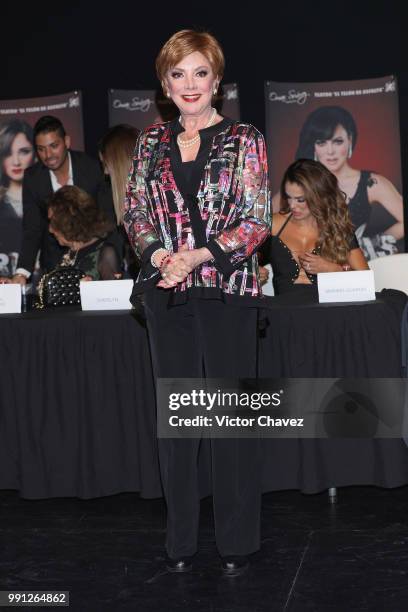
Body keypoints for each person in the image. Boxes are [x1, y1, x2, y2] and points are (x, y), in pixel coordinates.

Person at [124, 30, 270, 576]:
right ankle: (180, 540)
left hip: (227, 293)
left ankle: (236, 542)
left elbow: (256, 222)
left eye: (199, 72)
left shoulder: (244, 138)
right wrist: (162, 255)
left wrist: (199, 255)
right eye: (178, 74)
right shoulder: (148, 143)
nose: (189, 84)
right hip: (168, 295)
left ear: (217, 81)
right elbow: (134, 212)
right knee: (179, 424)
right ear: (165, 84)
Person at [286, 105, 403, 259]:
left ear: (350, 140)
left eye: (337, 141)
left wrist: (371, 244)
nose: (330, 151)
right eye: (321, 143)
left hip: (352, 269)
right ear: (314, 146)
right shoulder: (299, 182)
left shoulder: (370, 182)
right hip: (311, 270)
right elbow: (270, 222)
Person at [10, 115, 112, 285]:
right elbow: (32, 229)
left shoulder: (92, 168)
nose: (48, 155)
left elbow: (108, 218)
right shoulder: (33, 178)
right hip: (54, 266)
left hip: (94, 263)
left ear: (67, 141)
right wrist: (21, 273)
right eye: (41, 149)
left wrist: (107, 265)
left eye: (53, 146)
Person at [267, 159, 368, 295]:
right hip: (286, 311)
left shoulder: (337, 227)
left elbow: (366, 281)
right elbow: (243, 262)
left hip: (327, 311)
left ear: (319, 196)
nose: (292, 205)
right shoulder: (273, 224)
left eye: (300, 200)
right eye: (289, 197)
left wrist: (333, 270)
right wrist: (255, 272)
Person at [47, 185, 121, 280]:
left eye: (53, 222)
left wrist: (89, 289)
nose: (50, 229)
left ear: (68, 222)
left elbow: (114, 293)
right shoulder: (65, 254)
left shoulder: (105, 253)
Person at [0, 120, 35, 277]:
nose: (16, 161)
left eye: (24, 151)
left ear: (35, 153)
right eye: (8, 153)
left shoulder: (47, 198)